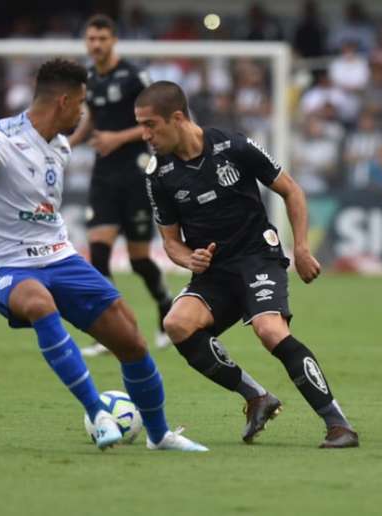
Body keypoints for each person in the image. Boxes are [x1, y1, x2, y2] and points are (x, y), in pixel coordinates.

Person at [0, 59, 206, 453]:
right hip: (2, 265)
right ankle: (98, 413)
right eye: (81, 103)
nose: (83, 112)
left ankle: (159, 436)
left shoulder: (59, 147)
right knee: (39, 303)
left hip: (57, 255)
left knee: (131, 339)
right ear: (63, 101)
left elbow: (28, 214)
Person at [136, 81, 359, 448]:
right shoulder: (158, 173)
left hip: (258, 257)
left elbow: (291, 190)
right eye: (140, 125)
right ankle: (257, 396)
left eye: (150, 125)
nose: (144, 135)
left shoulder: (233, 145)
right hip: (214, 272)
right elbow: (171, 242)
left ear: (177, 118)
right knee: (176, 324)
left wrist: (301, 248)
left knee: (270, 331)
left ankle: (339, 426)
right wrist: (188, 258)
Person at [68, 14, 173, 356]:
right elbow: (93, 123)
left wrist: (118, 137)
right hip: (103, 176)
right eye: (91, 39)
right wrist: (66, 143)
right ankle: (111, 332)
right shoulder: (89, 78)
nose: (96, 45)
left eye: (102, 39)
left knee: (139, 260)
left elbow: (154, 122)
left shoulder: (133, 76)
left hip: (135, 174)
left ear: (113, 41)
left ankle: (164, 306)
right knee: (98, 256)